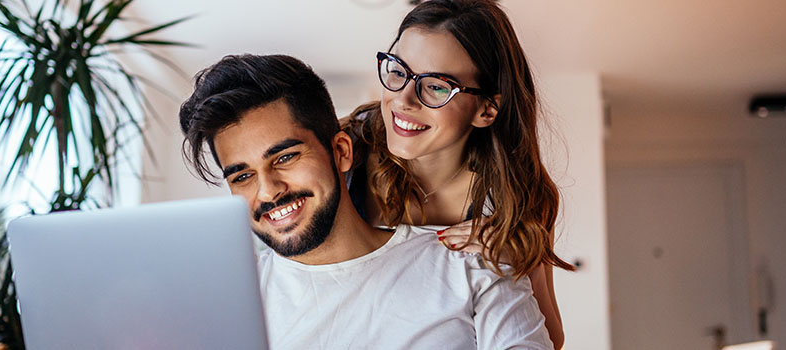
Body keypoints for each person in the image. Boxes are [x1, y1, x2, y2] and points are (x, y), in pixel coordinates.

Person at [179, 54, 552, 349]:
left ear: (340, 151)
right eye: (242, 176)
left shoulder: (471, 267)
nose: (268, 191)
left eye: (285, 157)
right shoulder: (227, 307)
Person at [343, 0, 574, 347]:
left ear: (486, 109)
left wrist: (514, 263)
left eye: (436, 86)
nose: (404, 99)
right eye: (398, 71)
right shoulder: (346, 150)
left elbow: (550, 338)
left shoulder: (520, 198)